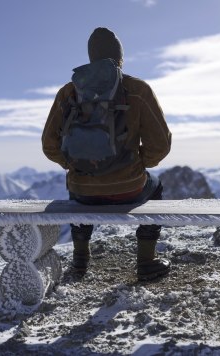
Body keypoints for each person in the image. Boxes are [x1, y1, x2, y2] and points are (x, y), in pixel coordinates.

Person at [41, 27, 172, 281]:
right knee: (156, 187)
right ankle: (146, 262)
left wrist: (73, 163)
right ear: (120, 58)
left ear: (91, 57)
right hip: (130, 188)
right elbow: (160, 146)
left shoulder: (69, 92)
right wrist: (136, 164)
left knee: (77, 186)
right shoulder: (137, 89)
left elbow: (49, 144)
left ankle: (80, 262)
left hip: (83, 191)